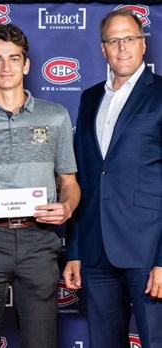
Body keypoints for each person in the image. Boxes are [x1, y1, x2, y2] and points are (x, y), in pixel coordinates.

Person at [0, 23, 80, 348]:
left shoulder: (56, 117)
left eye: (13, 58)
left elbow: (70, 183)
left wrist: (66, 207)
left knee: (41, 343)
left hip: (39, 242)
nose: (5, 67)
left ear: (26, 64)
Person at [63, 8, 162, 348]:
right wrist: (74, 249)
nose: (122, 48)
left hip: (148, 252)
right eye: (113, 40)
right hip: (95, 251)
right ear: (102, 48)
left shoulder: (161, 94)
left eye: (130, 39)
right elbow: (82, 179)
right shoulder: (89, 98)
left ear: (143, 45)